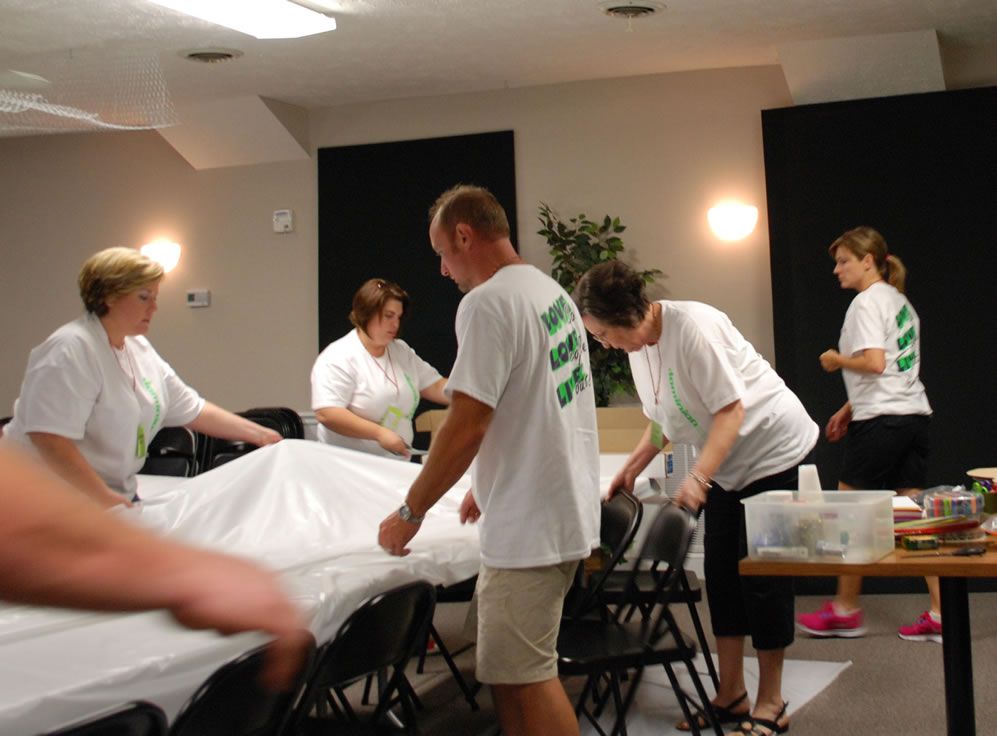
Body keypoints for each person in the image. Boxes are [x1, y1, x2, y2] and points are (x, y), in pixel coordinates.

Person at [378, 185, 600, 736]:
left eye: (443, 253)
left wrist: (411, 511)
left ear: (463, 234)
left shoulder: (488, 302)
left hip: (531, 529)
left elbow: (467, 423)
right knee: (507, 672)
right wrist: (488, 482)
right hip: (555, 510)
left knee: (527, 676)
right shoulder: (550, 294)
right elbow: (537, 407)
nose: (443, 268)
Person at [574, 260, 818, 736]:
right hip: (726, 464)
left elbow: (730, 411)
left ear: (626, 317)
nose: (602, 344)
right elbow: (662, 417)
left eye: (602, 334)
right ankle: (731, 695)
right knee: (722, 576)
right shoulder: (637, 347)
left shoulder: (694, 331)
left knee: (764, 580)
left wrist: (700, 477)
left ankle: (771, 702)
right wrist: (631, 467)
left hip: (772, 450)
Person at [0, 445, 311, 691]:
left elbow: (190, 406)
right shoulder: (66, 363)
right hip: (72, 499)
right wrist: (180, 572)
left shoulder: (142, 366)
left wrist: (260, 435)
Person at [2, 247, 282, 508]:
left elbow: (191, 408)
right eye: (143, 297)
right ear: (109, 296)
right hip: (47, 497)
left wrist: (260, 434)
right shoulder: (70, 349)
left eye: (155, 297)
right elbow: (49, 438)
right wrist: (105, 500)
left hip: (108, 495)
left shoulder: (138, 349)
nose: (154, 308)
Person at [797, 227, 935, 642]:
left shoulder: (865, 303)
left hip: (881, 424)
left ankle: (844, 609)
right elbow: (892, 371)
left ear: (868, 261)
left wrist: (836, 359)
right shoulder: (900, 303)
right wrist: (846, 409)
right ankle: (943, 614)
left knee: (850, 515)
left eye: (843, 261)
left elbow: (874, 364)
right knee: (917, 520)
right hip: (912, 418)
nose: (837, 270)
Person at [311, 278, 448, 460]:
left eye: (398, 317)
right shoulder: (339, 356)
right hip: (349, 467)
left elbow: (436, 386)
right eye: (388, 316)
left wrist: (472, 395)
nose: (395, 325)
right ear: (366, 313)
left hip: (395, 463)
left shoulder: (401, 351)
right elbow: (327, 413)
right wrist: (378, 433)